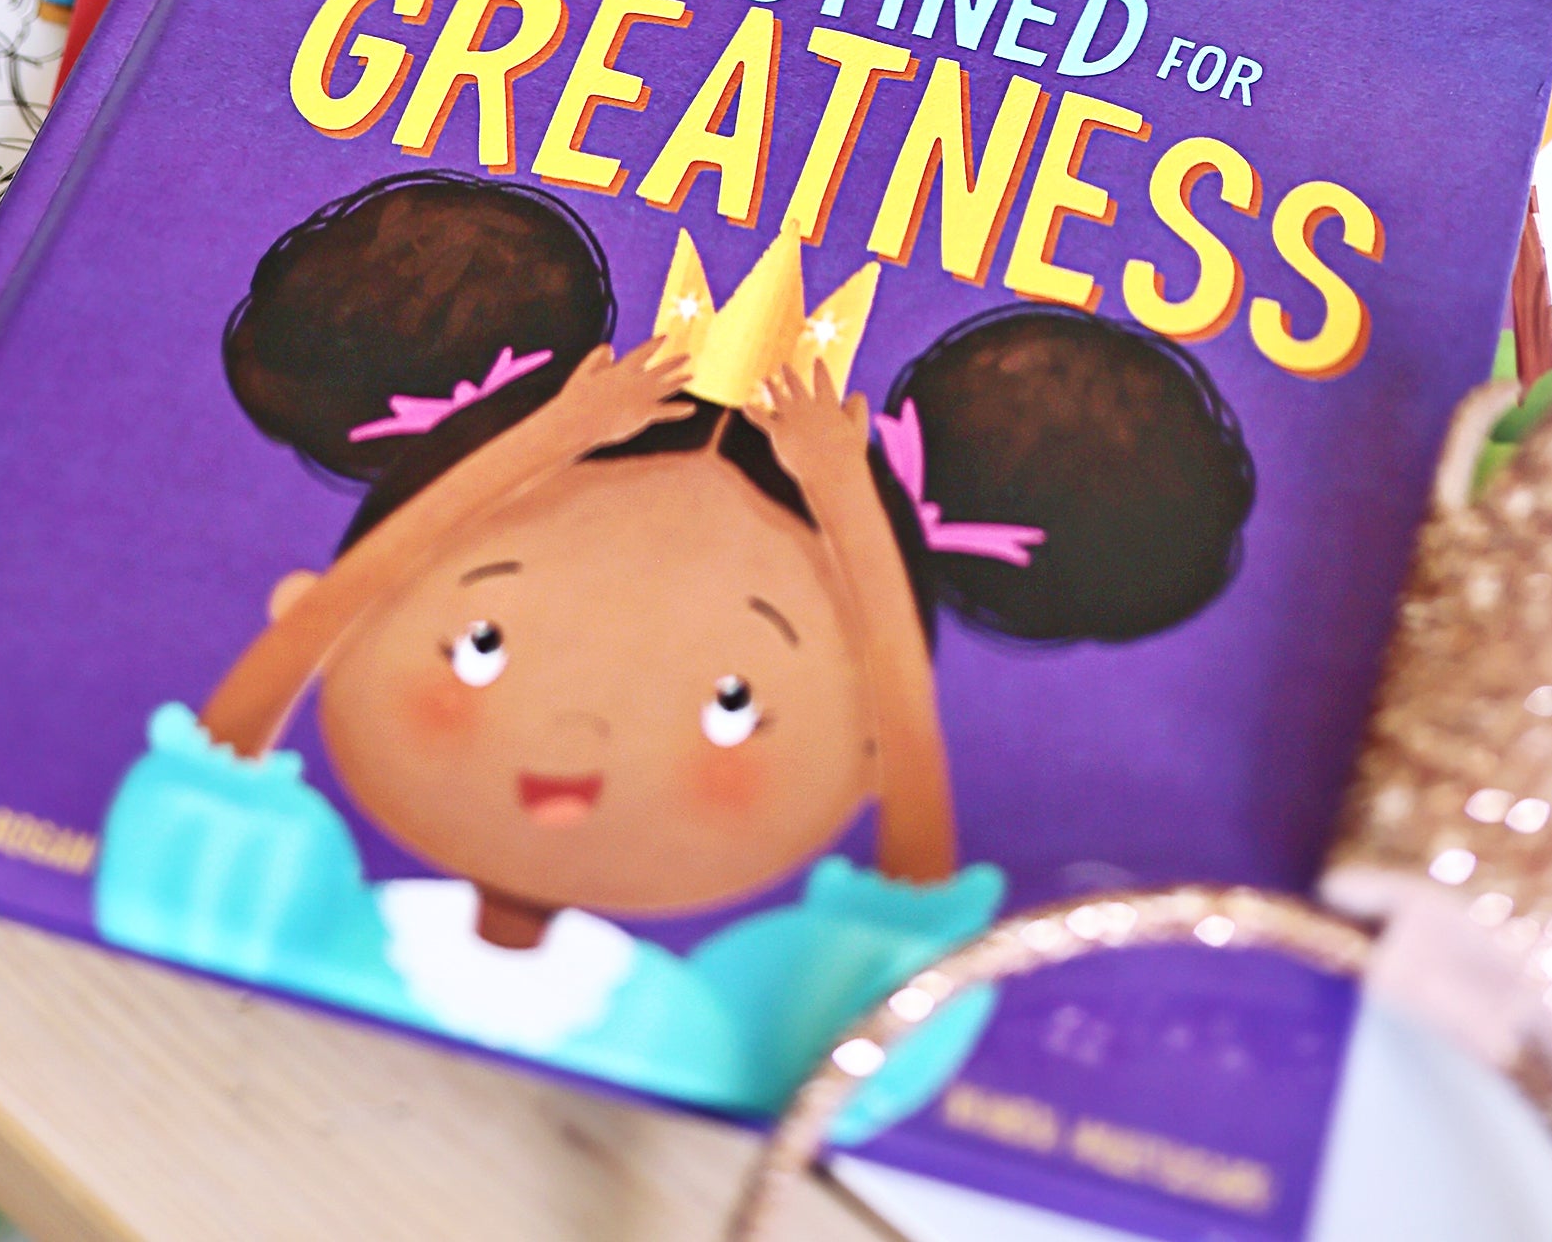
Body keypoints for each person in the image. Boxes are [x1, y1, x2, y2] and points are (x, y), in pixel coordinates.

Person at [96, 175, 1254, 1120]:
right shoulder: (248, 916)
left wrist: (849, 508)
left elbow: (908, 936)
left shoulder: (740, 1049)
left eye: (733, 701)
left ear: (865, 753)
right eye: (481, 642)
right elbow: (225, 755)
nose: (577, 737)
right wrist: (545, 441)